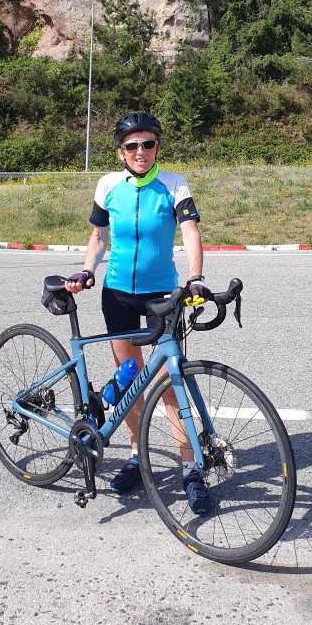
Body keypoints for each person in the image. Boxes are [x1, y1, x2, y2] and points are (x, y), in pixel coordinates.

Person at [63, 111, 213, 512]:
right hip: (116, 295)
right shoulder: (108, 185)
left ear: (157, 147)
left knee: (168, 383)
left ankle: (190, 469)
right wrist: (86, 269)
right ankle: (134, 456)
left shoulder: (173, 184)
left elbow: (191, 231)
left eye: (148, 144)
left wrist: (195, 277)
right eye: (132, 146)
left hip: (161, 295)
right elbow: (98, 235)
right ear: (120, 153)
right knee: (130, 384)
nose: (141, 151)